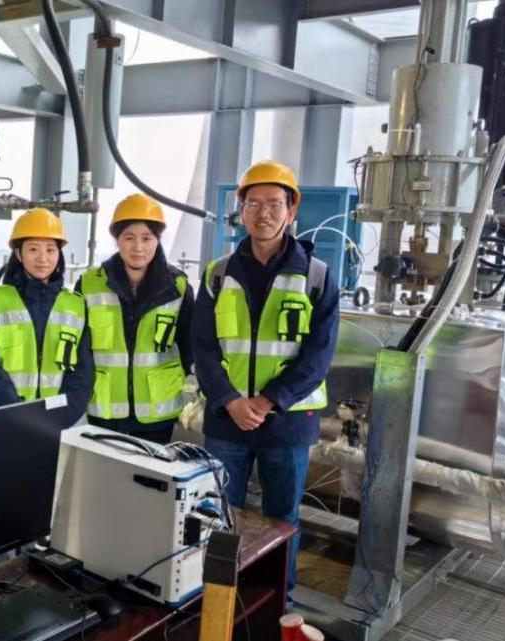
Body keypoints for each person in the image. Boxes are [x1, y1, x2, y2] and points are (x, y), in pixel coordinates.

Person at [191, 160, 340, 594]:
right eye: (253, 204)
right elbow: (203, 346)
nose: (264, 213)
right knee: (219, 515)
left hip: (287, 423)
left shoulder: (316, 276)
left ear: (291, 211)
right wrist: (231, 400)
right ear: (241, 211)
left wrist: (268, 399)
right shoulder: (218, 274)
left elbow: (319, 354)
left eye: (274, 204)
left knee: (282, 518)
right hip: (227, 420)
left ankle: (275, 600)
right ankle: (218, 602)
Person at [75, 194, 194, 444]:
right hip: (103, 409)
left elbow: (189, 347)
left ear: (157, 240)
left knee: (150, 471)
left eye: (146, 238)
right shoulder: (89, 284)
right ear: (117, 240)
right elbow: (79, 348)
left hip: (157, 413)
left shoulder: (178, 287)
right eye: (129, 238)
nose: (138, 247)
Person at [0, 208, 92, 425]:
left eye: (50, 250)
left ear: (59, 253)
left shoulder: (75, 305)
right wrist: (19, 414)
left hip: (51, 424)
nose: (43, 259)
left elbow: (82, 374)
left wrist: (58, 419)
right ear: (18, 253)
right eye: (33, 249)